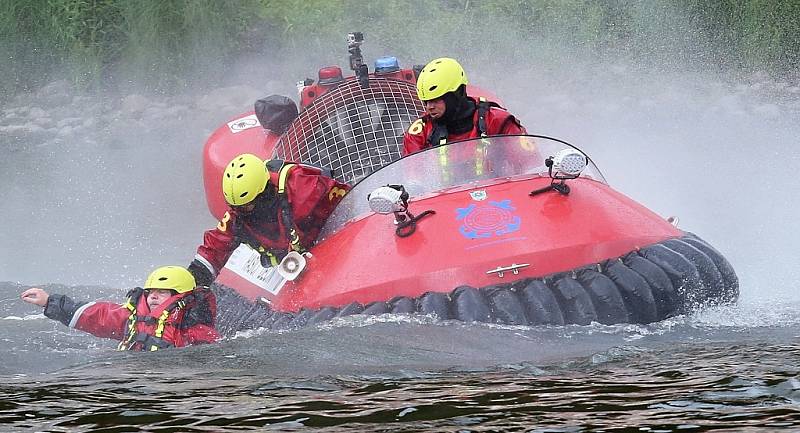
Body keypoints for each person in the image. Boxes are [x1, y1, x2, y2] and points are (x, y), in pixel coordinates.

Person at [187, 153, 349, 286]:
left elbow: (347, 202)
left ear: (262, 194)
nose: (240, 212)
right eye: (235, 207)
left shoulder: (301, 188)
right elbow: (213, 251)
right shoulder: (237, 218)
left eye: (246, 206)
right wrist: (189, 283)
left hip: (331, 243)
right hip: (296, 262)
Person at [20, 266, 219, 351]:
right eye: (150, 292)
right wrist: (49, 302)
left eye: (162, 292)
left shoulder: (196, 329)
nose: (153, 297)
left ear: (179, 297)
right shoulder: (132, 318)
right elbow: (95, 315)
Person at [402, 57, 527, 156]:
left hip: (499, 188)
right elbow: (413, 182)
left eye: (436, 100)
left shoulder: (498, 121)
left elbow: (531, 169)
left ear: (457, 93)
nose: (430, 107)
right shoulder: (418, 133)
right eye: (426, 101)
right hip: (442, 189)